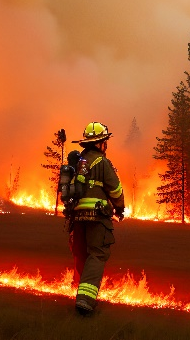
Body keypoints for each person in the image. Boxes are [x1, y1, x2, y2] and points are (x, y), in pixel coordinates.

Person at [68, 121, 125, 315]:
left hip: (77, 217)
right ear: (100, 143)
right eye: (105, 141)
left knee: (82, 254)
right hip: (97, 216)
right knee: (97, 254)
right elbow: (115, 190)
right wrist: (120, 208)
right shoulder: (102, 162)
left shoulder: (77, 162)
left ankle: (79, 290)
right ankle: (85, 300)